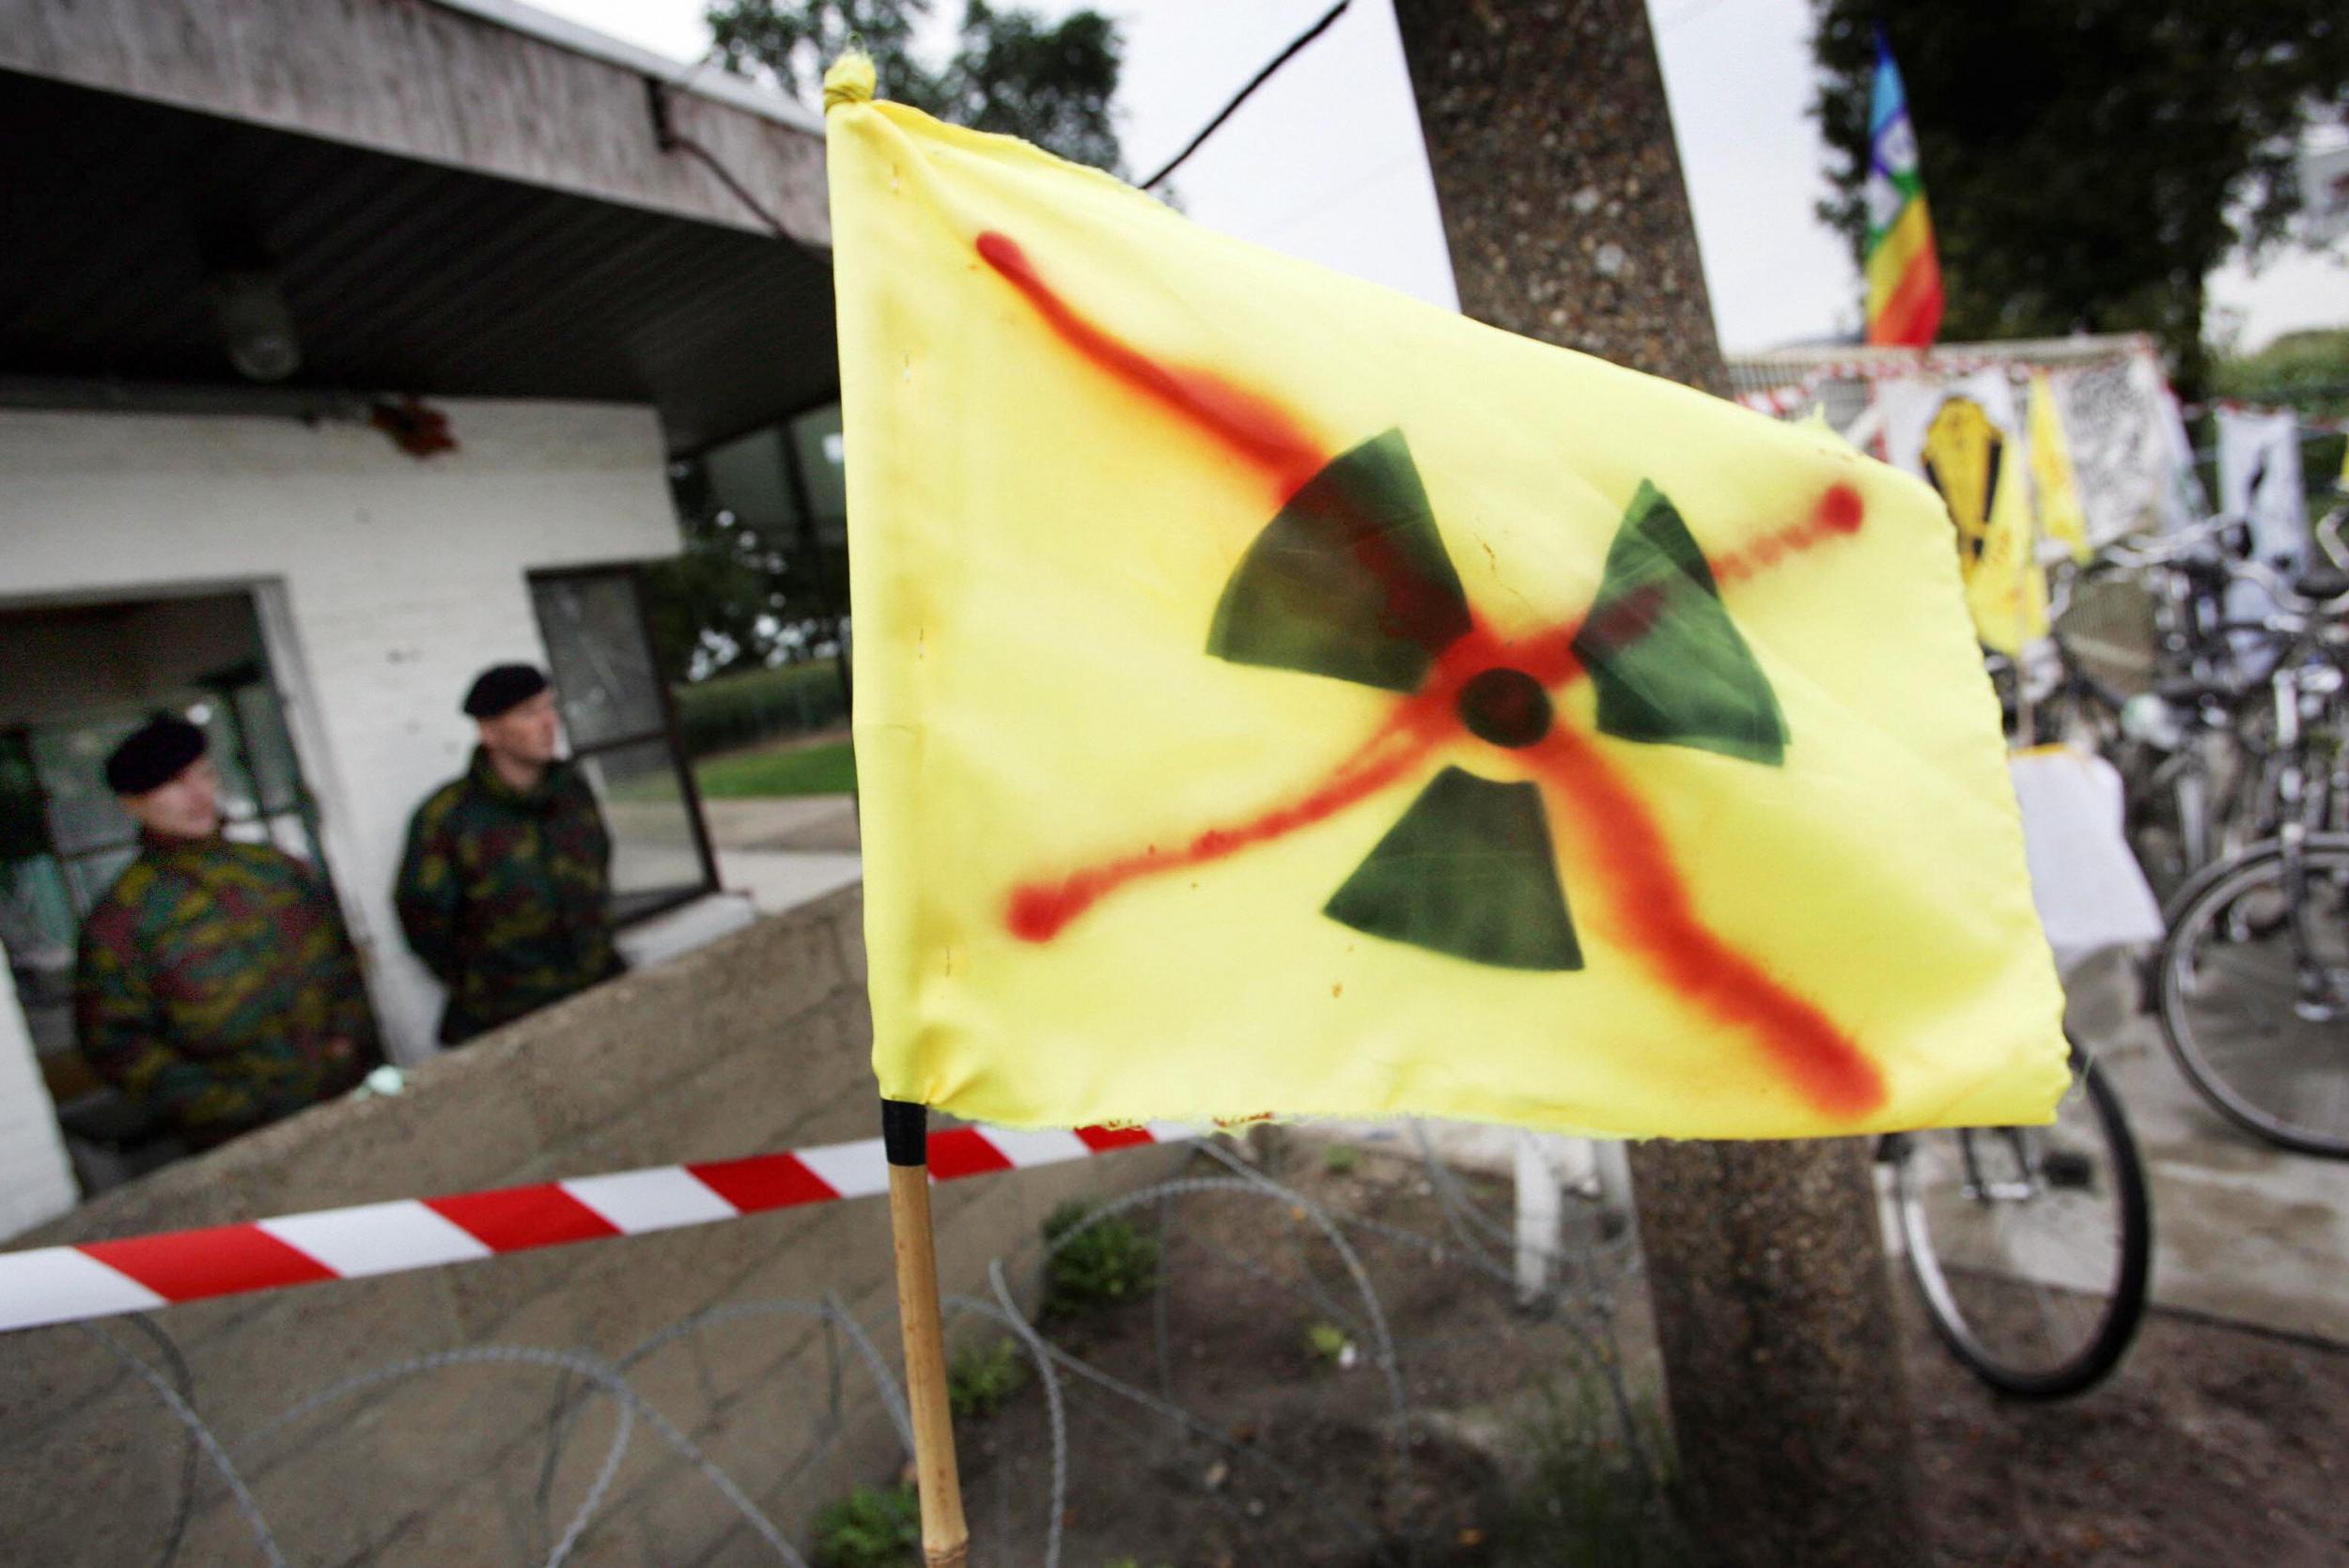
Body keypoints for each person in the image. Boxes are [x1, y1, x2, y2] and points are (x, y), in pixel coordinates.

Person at [73, 714, 379, 1150]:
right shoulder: (123, 919)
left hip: (347, 1092)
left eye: (204, 775)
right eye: (175, 784)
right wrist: (228, 1104)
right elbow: (117, 1045)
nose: (199, 796)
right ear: (132, 803)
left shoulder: (274, 867)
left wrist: (349, 1039)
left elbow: (345, 954)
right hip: (241, 1136)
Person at [395, 663, 623, 1045]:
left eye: (550, 708)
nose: (549, 723)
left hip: (597, 991)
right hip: (509, 1019)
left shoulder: (571, 793)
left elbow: (599, 866)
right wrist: (485, 984)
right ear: (489, 732)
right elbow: (423, 917)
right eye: (529, 713)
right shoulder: (448, 817)